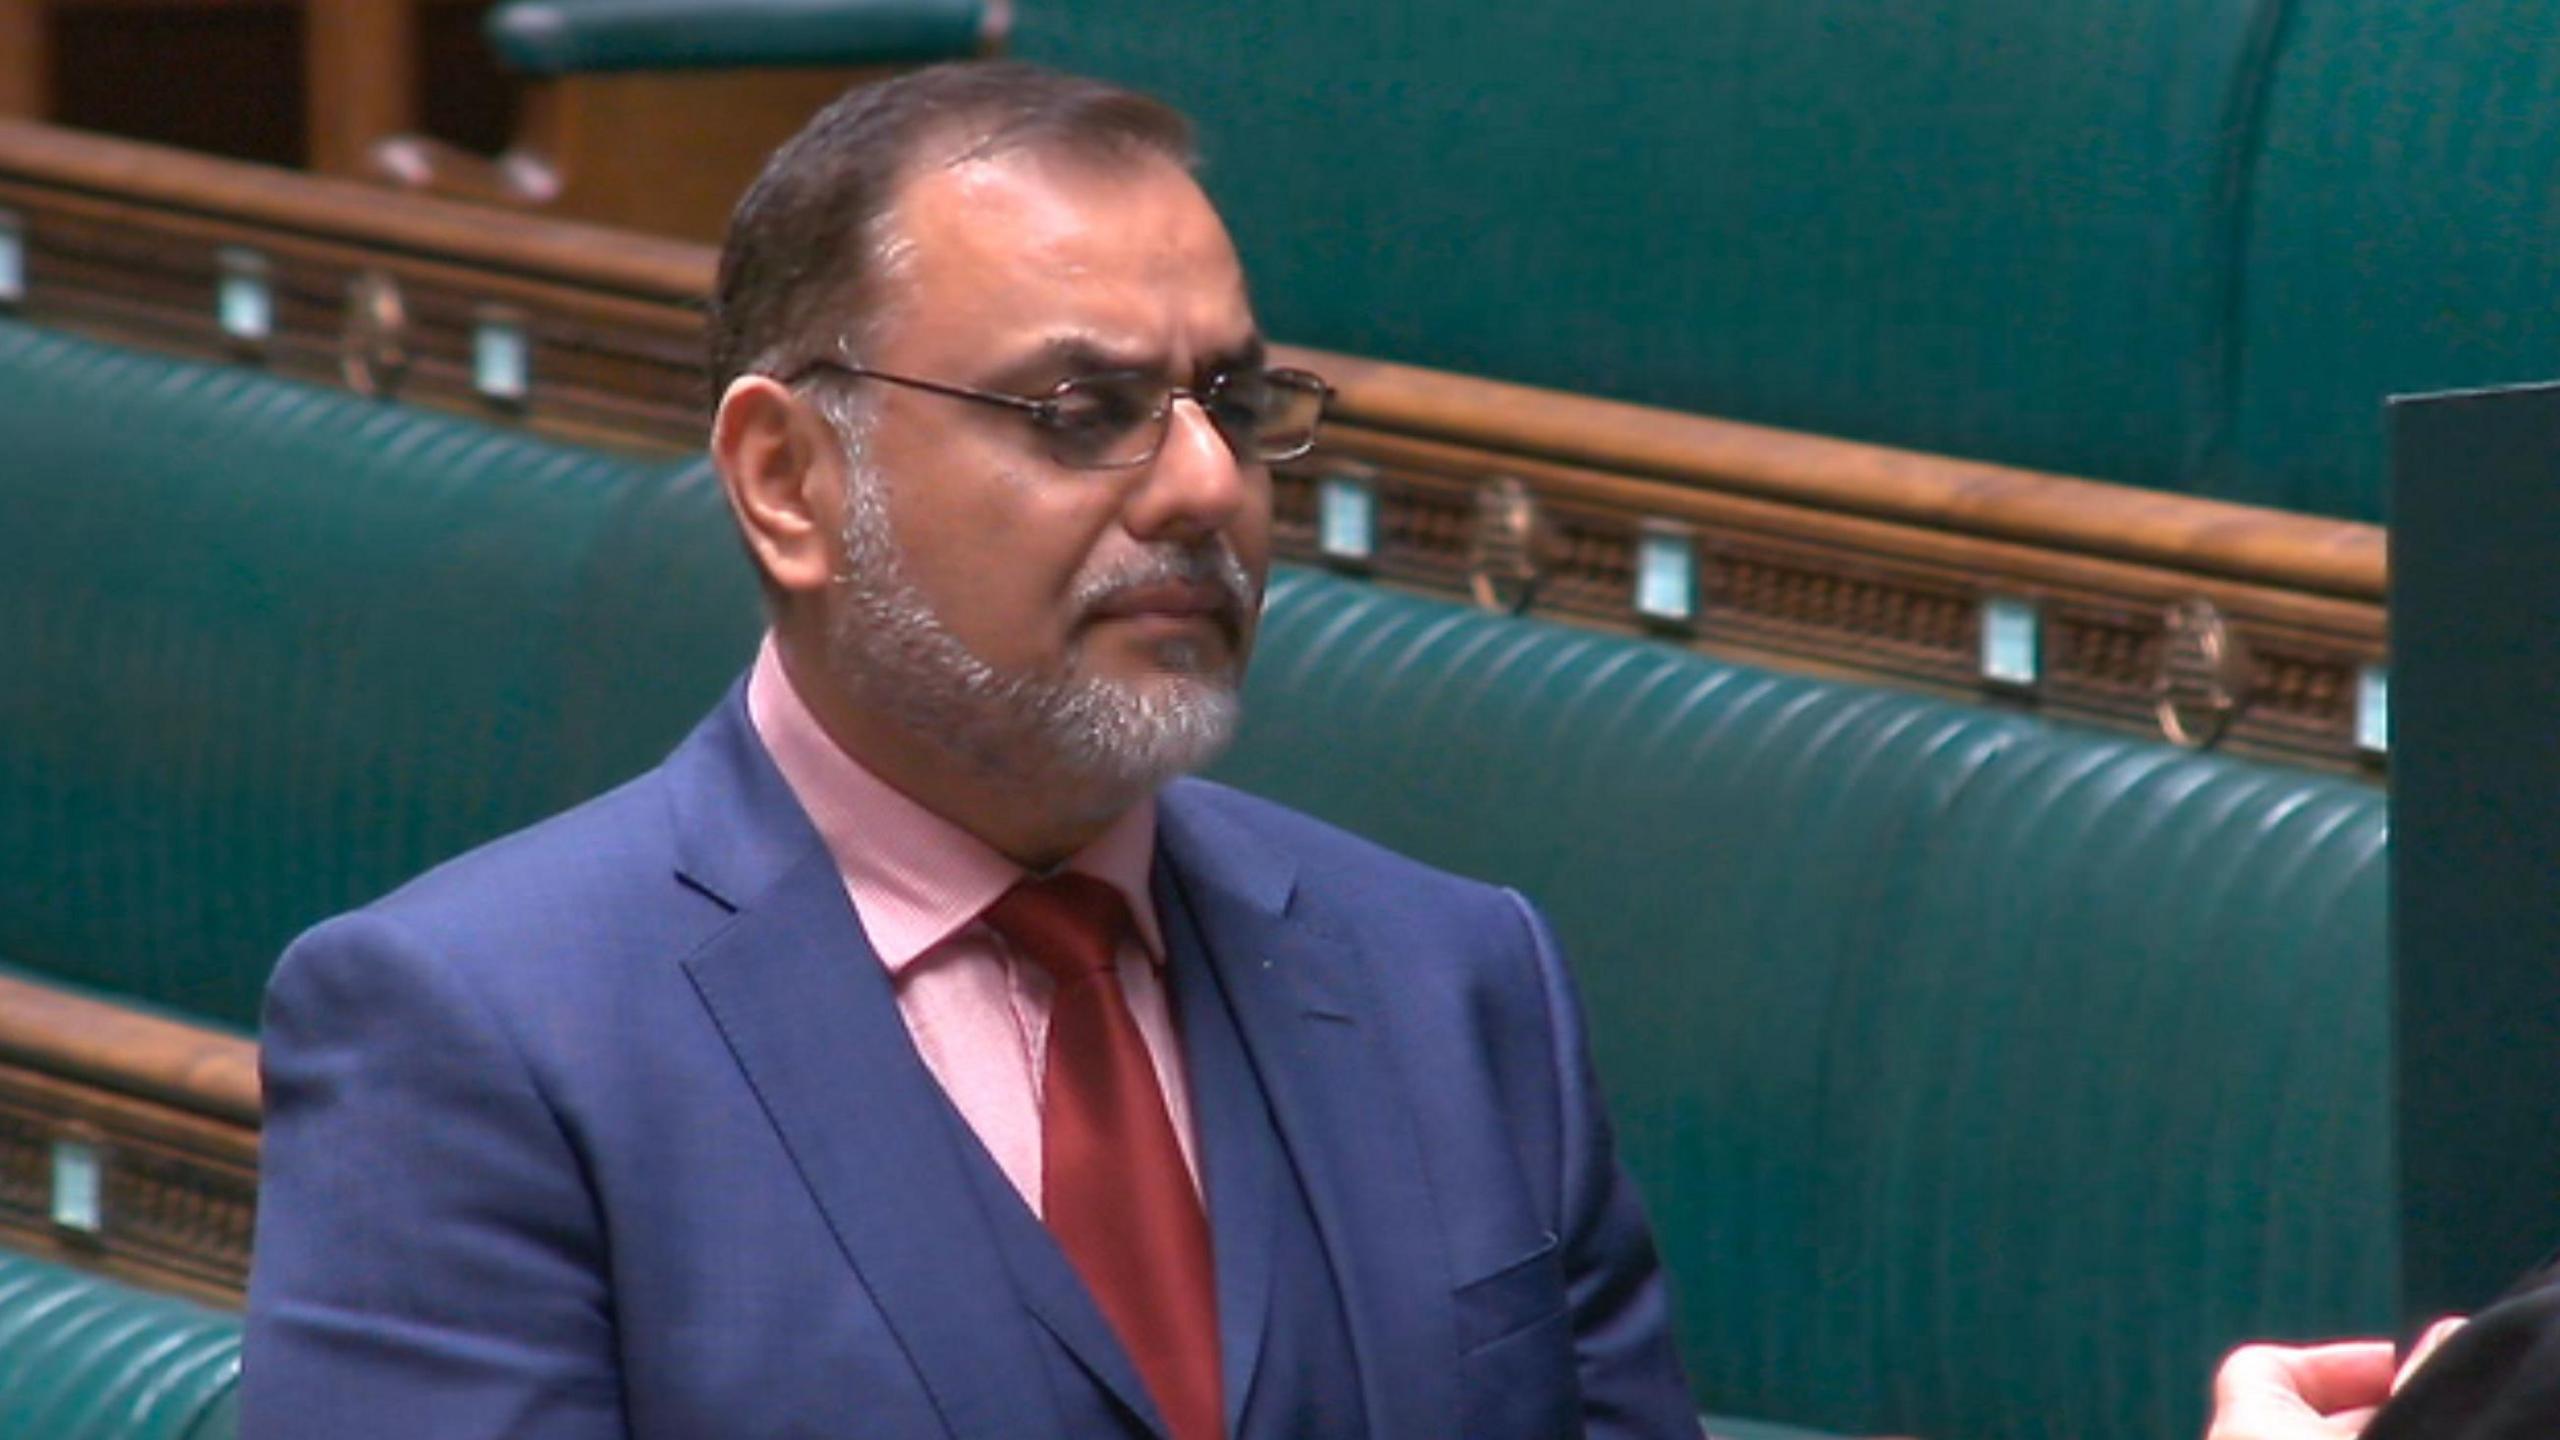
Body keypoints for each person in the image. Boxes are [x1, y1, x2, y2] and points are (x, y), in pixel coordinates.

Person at [240, 60, 1696, 1440]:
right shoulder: (476, 1037)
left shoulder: (1459, 979)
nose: (1205, 485)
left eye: (1236, 405)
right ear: (790, 481)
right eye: (1083, 413)